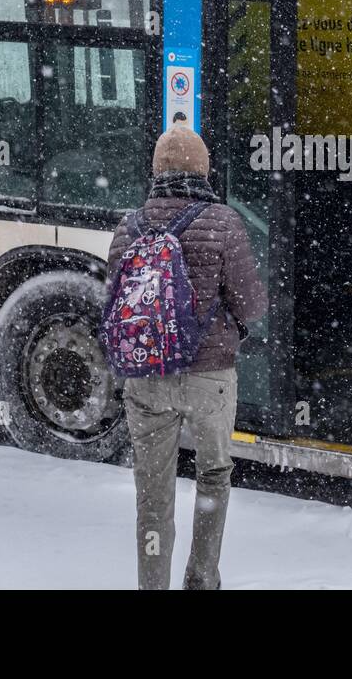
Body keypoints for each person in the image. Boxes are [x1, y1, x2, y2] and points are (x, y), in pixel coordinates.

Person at [106, 125, 267, 590]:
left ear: (156, 171)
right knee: (213, 477)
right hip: (209, 379)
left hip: (146, 378)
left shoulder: (128, 226)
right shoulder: (223, 222)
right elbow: (250, 303)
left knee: (152, 493)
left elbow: (113, 303)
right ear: (204, 170)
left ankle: (152, 584)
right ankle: (201, 580)